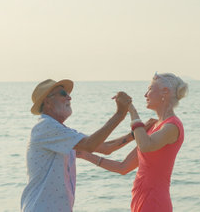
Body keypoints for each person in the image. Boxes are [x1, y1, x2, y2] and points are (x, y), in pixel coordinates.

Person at [77, 72, 188, 212]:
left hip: (155, 202)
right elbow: (123, 167)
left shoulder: (172, 126)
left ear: (164, 91)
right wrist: (85, 155)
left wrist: (131, 110)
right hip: (139, 199)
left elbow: (146, 146)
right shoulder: (152, 128)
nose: (145, 94)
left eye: (149, 89)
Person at [20, 78, 132, 212]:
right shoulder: (45, 127)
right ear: (47, 101)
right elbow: (90, 145)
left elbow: (105, 148)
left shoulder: (61, 132)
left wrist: (136, 133)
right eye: (63, 93)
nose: (69, 97)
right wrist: (120, 114)